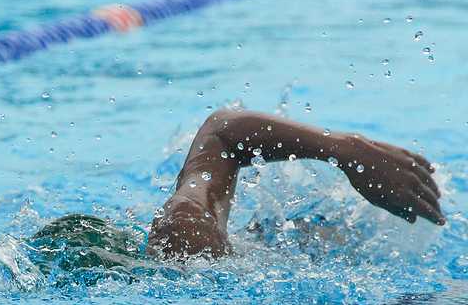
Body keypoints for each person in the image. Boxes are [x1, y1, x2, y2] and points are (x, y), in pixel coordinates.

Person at [32, 109, 445, 268]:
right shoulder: (184, 240)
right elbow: (222, 133)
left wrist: (347, 149)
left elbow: (224, 133)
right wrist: (343, 148)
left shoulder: (183, 239)